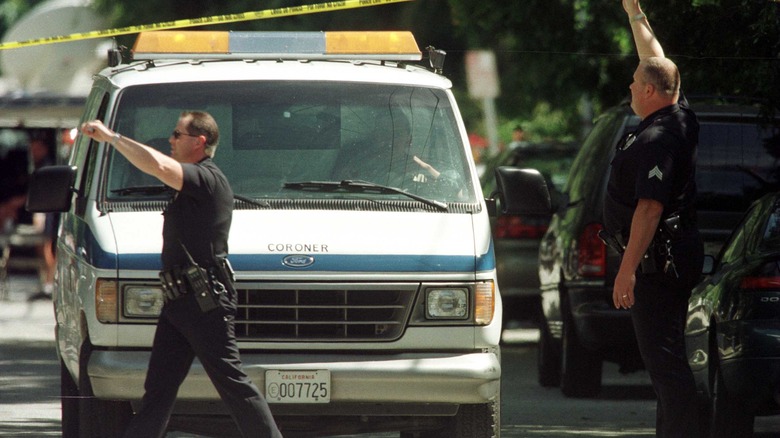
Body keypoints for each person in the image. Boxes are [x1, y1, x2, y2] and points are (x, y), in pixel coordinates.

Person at [80, 112, 283, 438]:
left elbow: (158, 166)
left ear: (199, 141)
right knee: (157, 393)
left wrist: (112, 138)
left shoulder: (207, 178)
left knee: (232, 384)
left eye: (177, 134)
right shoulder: (194, 182)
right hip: (179, 302)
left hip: (205, 304)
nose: (170, 140)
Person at [603, 1, 703, 436]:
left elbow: (650, 208)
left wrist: (626, 272)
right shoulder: (678, 112)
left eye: (634, 82)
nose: (629, 84)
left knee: (664, 365)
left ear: (648, 92)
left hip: (657, 265)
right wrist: (634, 13)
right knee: (665, 365)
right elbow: (654, 59)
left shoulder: (659, 137)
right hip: (666, 258)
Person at [28, 138, 58, 301]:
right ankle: (46, 280)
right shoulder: (39, 165)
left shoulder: (47, 166)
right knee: (44, 247)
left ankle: (49, 282)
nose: (34, 153)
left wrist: (39, 214)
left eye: (36, 149)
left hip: (48, 212)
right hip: (46, 211)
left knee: (47, 247)